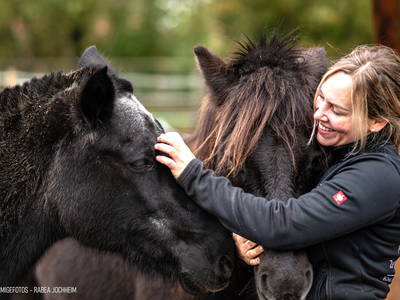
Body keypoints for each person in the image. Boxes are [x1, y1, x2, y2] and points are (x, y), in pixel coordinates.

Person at [154, 45, 400, 300]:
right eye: (320, 98)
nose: (318, 114)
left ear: (376, 122)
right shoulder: (336, 149)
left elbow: (283, 224)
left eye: (337, 110)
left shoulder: (378, 176)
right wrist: (236, 232)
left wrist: (192, 174)